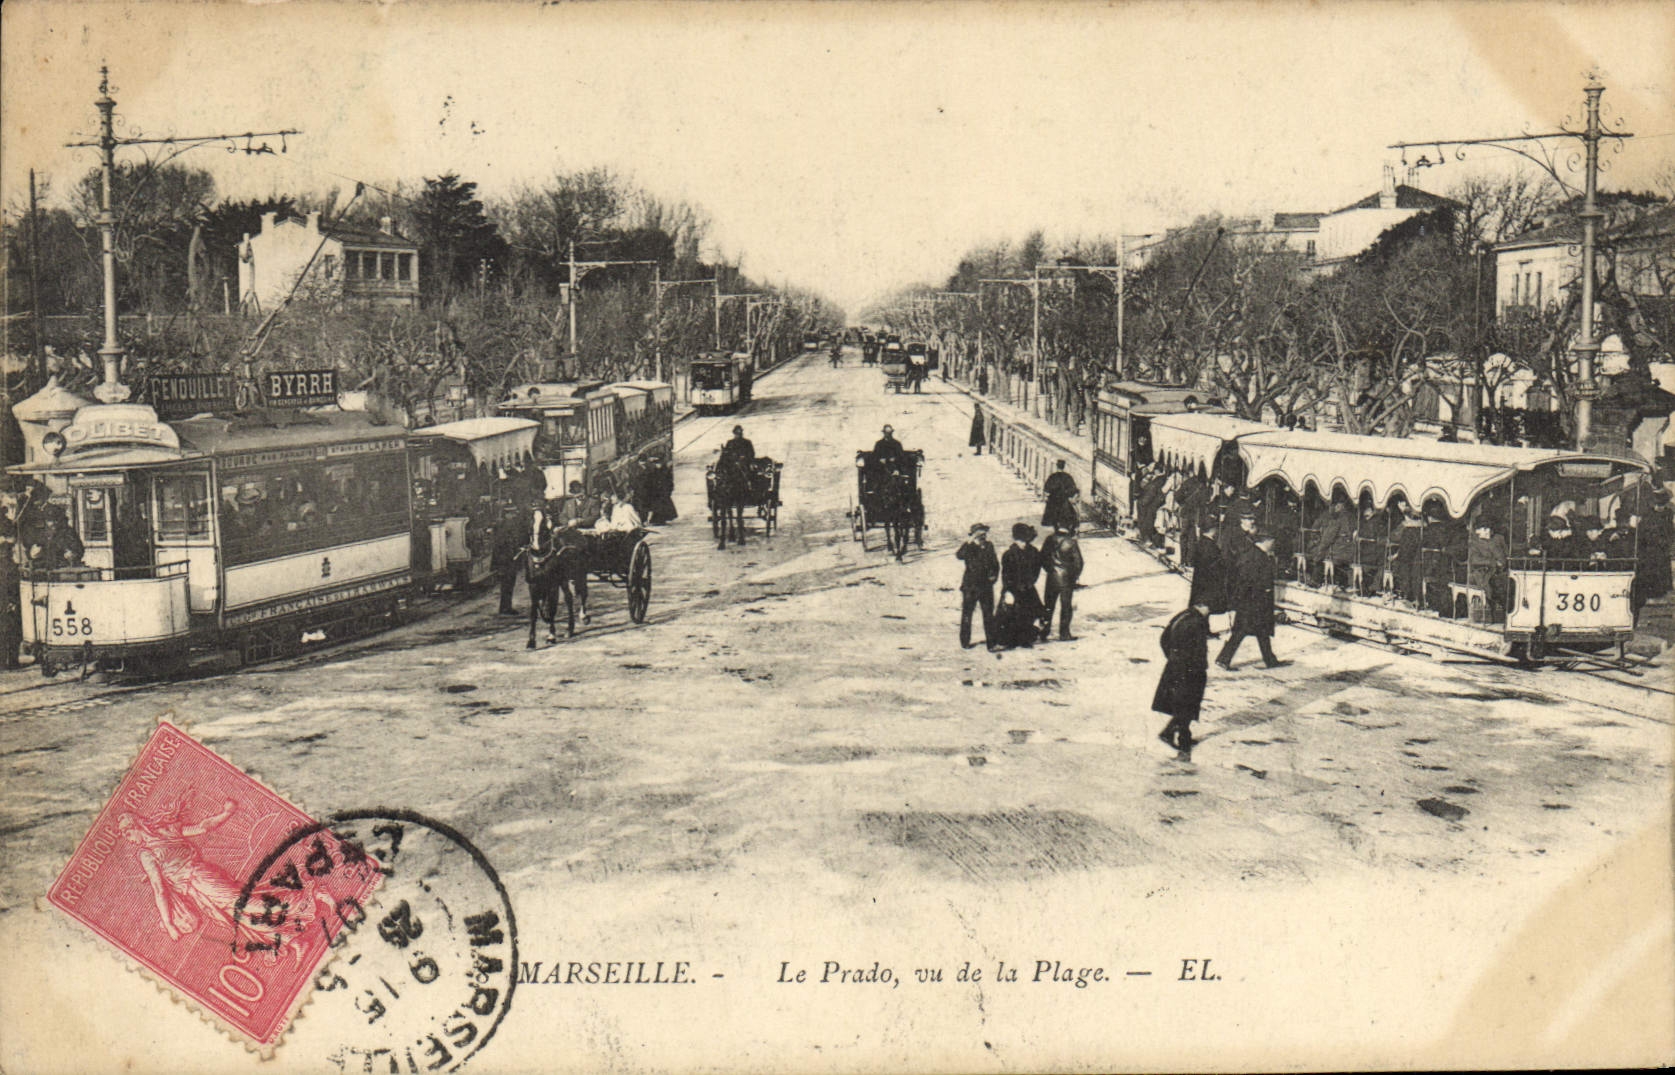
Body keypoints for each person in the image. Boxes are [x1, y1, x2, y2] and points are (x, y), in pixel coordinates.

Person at [1217, 524, 1285, 670]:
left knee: (1261, 633)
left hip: (1254, 602)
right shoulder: (1256, 557)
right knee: (1243, 632)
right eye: (1273, 540)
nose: (1274, 544)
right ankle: (1224, 659)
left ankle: (1269, 660)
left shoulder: (1255, 554)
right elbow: (1247, 580)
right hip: (1253, 602)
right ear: (1266, 540)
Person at [1154, 602, 1214, 753]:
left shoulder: (1181, 616)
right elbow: (1199, 650)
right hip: (1190, 670)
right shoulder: (1197, 623)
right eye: (1208, 608)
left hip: (1176, 667)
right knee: (1188, 704)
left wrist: (1173, 657)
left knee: (1183, 704)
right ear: (1201, 606)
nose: (1209, 612)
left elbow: (1164, 639)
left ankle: (1181, 736)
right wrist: (1200, 667)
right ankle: (1176, 736)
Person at [997, 522, 1046, 648]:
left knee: (1029, 614)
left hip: (1028, 588)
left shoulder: (1034, 552)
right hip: (1012, 589)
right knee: (1011, 615)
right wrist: (1008, 591)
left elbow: (1037, 569)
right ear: (1016, 539)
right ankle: (1011, 640)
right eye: (1021, 540)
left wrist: (1030, 582)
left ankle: (1025, 639)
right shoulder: (1009, 554)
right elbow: (1006, 574)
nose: (1024, 543)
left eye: (1026, 540)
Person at [956, 522, 1000, 650]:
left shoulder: (989, 546)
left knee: (988, 615)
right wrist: (969, 542)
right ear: (974, 535)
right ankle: (965, 641)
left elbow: (995, 564)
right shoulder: (969, 547)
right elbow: (959, 555)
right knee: (967, 614)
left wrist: (994, 576)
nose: (983, 536)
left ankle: (991, 644)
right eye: (980, 534)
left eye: (984, 533)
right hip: (970, 587)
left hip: (986, 586)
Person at [1039, 523, 1084, 642]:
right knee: (1066, 607)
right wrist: (1074, 577)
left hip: (1052, 578)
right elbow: (1079, 563)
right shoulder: (1071, 542)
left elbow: (1042, 557)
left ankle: (1044, 632)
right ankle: (1064, 634)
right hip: (1066, 579)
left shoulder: (1049, 539)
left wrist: (1050, 569)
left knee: (1048, 606)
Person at [1466, 520, 1508, 621]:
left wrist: (1492, 546)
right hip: (1482, 572)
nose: (1488, 531)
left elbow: (1504, 557)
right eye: (1482, 529)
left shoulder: (1498, 539)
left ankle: (1506, 612)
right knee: (1493, 584)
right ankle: (1496, 612)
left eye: (1488, 528)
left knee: (1507, 583)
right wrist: (1493, 562)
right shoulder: (1474, 543)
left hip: (1499, 571)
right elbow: (1475, 560)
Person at [1311, 494, 1356, 587]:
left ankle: (1316, 581)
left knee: (1320, 553)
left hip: (1338, 552)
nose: (1335, 508)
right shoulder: (1352, 517)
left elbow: (1327, 539)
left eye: (1337, 506)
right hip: (1352, 552)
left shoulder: (1337, 519)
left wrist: (1319, 553)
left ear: (1340, 506)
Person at [1188, 515, 1230, 614]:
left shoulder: (1200, 543)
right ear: (1213, 529)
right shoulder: (1210, 547)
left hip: (1199, 583)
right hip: (1208, 586)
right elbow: (1216, 567)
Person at [491, 504, 526, 615]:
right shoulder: (503, 526)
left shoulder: (508, 525)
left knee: (509, 584)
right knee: (507, 584)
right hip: (505, 560)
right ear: (507, 514)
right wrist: (516, 549)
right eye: (512, 513)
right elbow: (502, 544)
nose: (514, 515)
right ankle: (505, 608)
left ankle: (506, 607)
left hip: (507, 560)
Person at [1390, 502, 1426, 604]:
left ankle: (1406, 594)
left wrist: (1396, 555)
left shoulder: (1407, 529)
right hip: (1418, 560)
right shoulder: (1422, 528)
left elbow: (1394, 539)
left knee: (1402, 565)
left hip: (1408, 559)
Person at [1041, 460, 1080, 532]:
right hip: (1064, 501)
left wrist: (1048, 495)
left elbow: (1046, 489)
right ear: (1064, 466)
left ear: (1057, 466)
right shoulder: (1068, 477)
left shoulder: (1052, 476)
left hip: (1053, 501)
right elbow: (1072, 489)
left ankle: (1056, 530)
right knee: (1072, 515)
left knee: (1053, 517)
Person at [1135, 464, 1167, 548]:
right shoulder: (1160, 479)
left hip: (1149, 504)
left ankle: (1146, 538)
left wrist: (1142, 502)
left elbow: (1150, 493)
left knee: (1145, 519)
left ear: (1157, 470)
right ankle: (1145, 537)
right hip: (1151, 503)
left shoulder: (1157, 481)